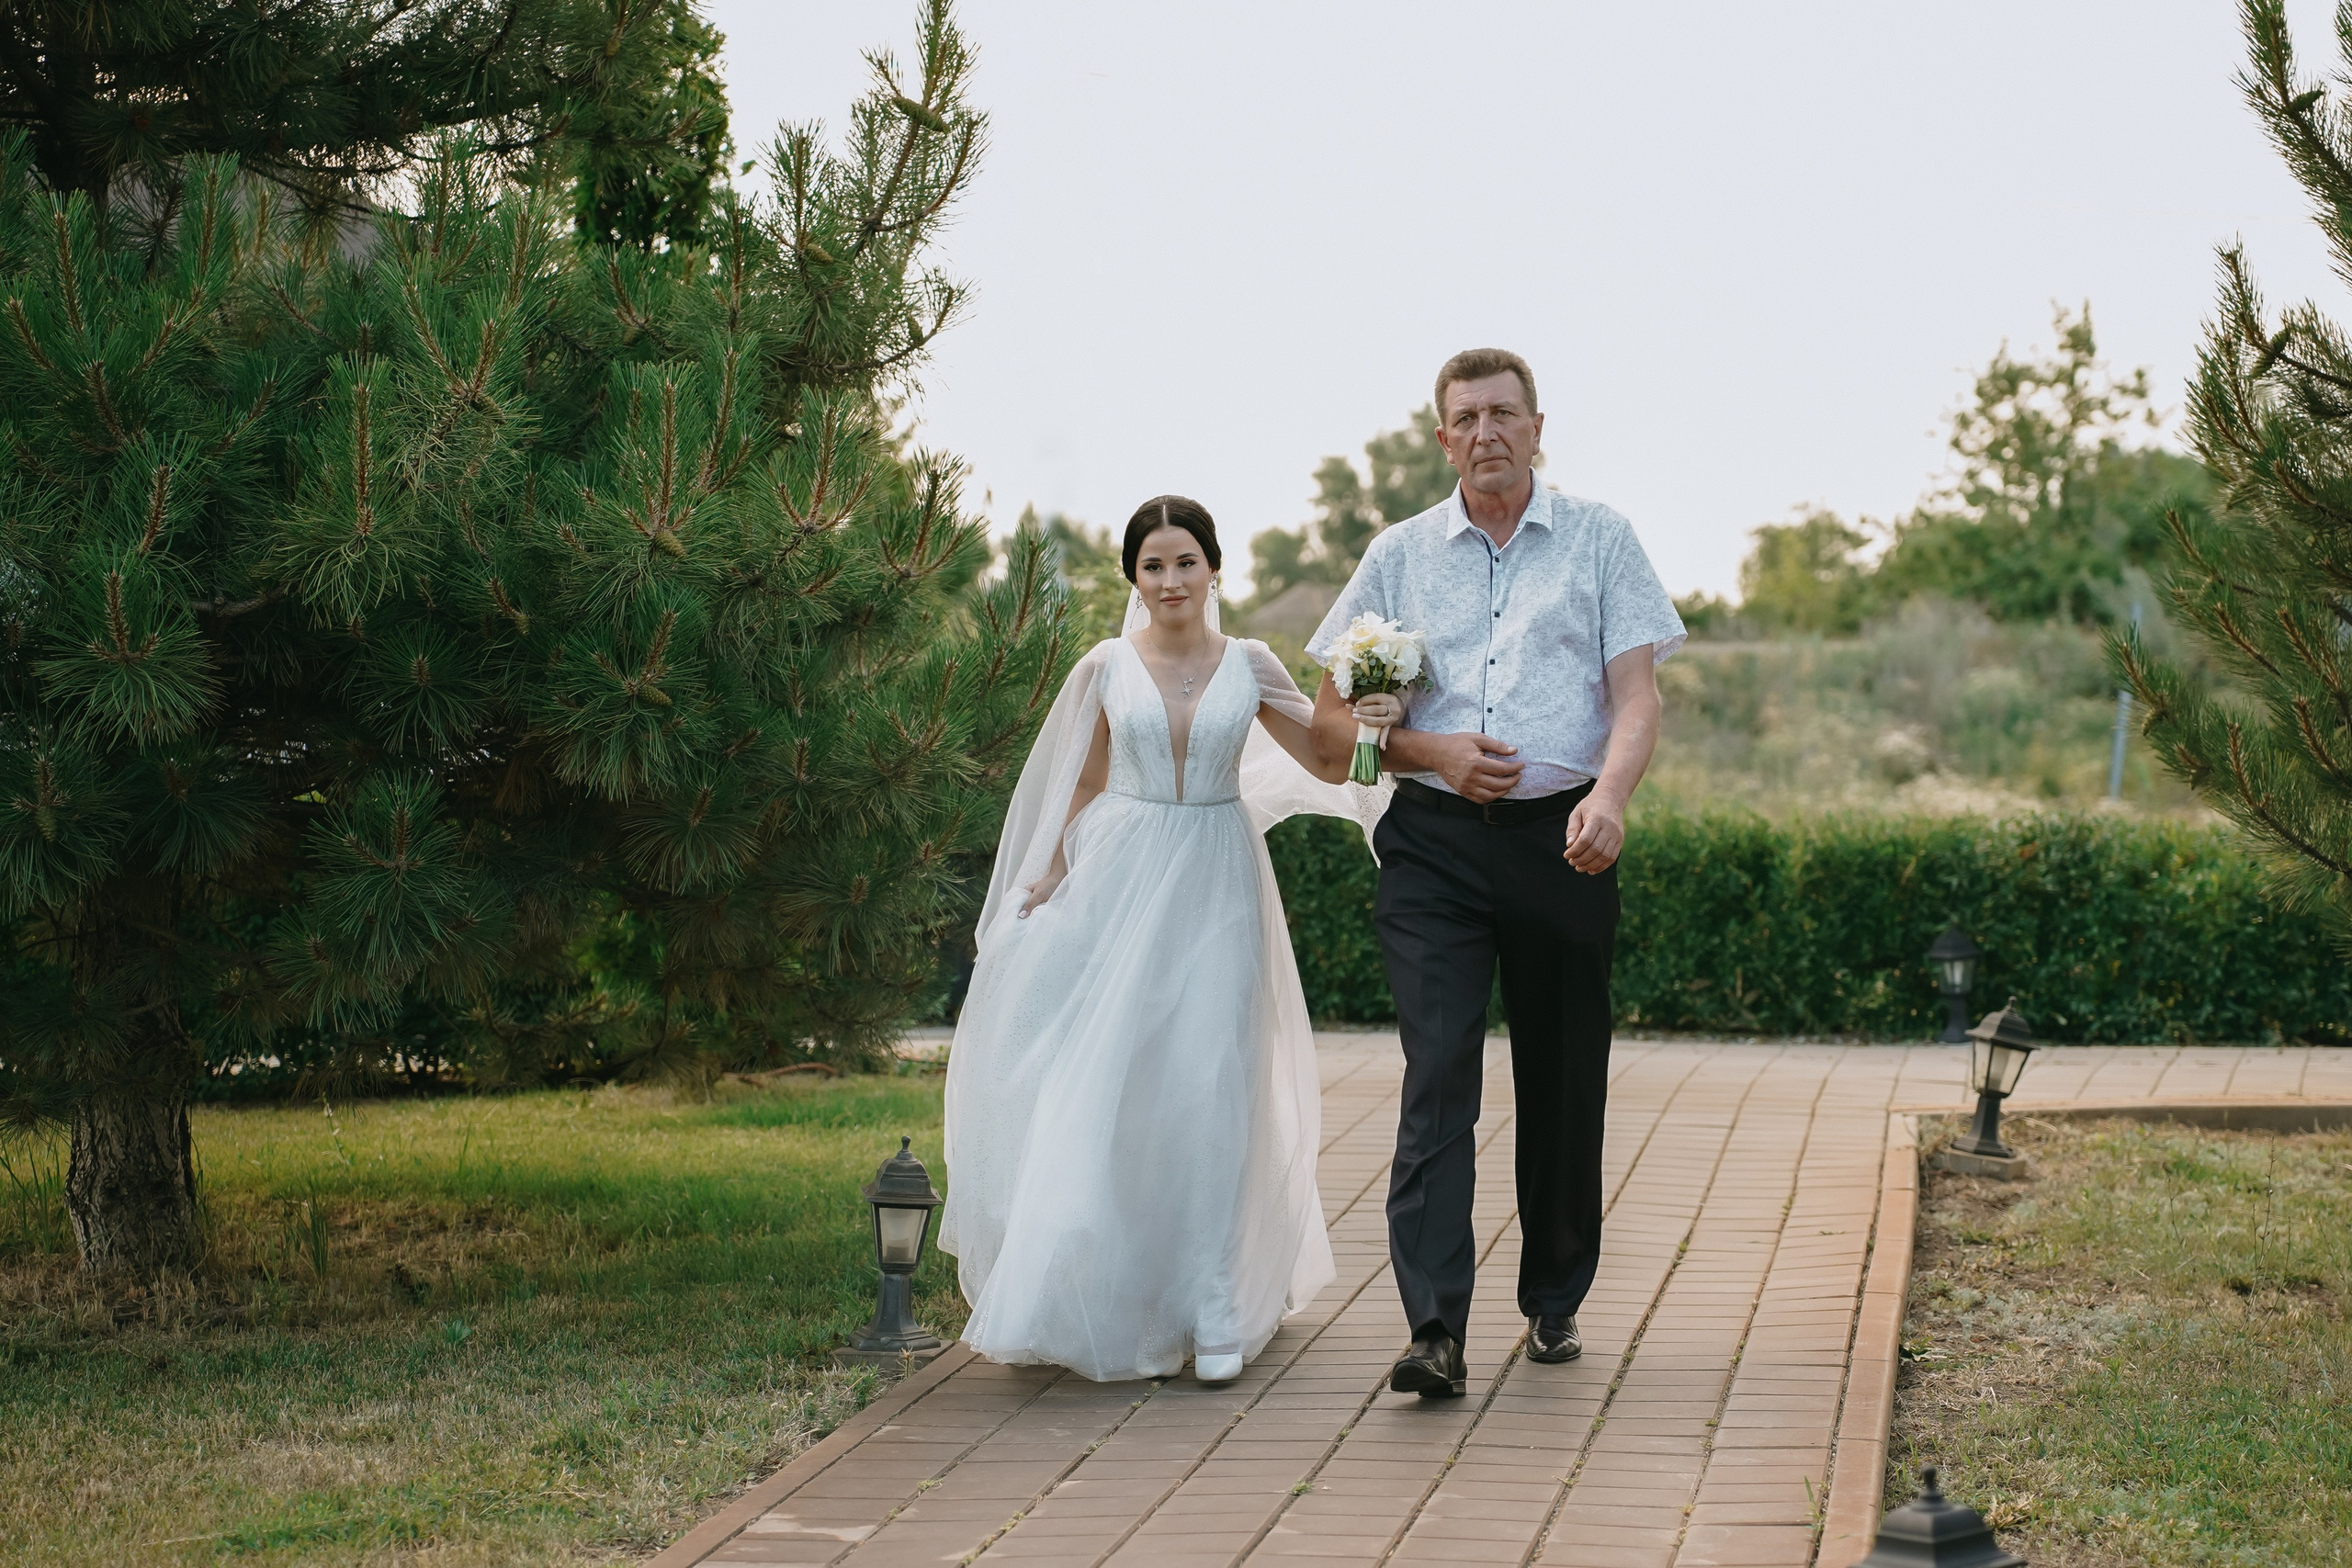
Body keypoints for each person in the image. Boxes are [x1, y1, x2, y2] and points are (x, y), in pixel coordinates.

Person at [941, 496, 1399, 1384]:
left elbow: (1330, 761)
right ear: (1133, 579)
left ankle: (1214, 1303)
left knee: (1213, 1081)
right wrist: (1042, 882)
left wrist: (1374, 729)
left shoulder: (1251, 663)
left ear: (1214, 569)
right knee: (1114, 1077)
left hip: (1218, 878)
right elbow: (1082, 785)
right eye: (1153, 565)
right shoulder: (1105, 666)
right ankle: (1101, 1285)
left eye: (1185, 561)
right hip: (1119, 874)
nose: (1171, 579)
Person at [1306, 349, 1685, 1396]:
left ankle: (1554, 1297)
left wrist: (1608, 797)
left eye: (1503, 414)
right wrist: (1435, 752)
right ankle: (1433, 1329)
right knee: (1437, 1077)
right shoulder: (1395, 558)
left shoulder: (1600, 540)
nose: (1486, 433)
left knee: (1562, 1074)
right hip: (1430, 846)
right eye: (1465, 417)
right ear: (1441, 438)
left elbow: (1637, 697)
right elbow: (1338, 731)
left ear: (1536, 426)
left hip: (1563, 840)